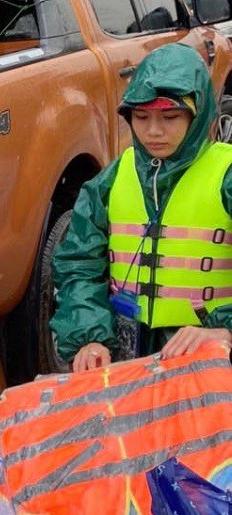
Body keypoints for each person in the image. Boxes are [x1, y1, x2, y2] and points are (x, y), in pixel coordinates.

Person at [50, 43, 232, 373]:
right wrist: (89, 336)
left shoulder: (226, 175)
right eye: (141, 116)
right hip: (126, 357)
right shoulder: (114, 177)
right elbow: (78, 261)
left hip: (211, 362)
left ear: (199, 113)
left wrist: (224, 332)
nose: (153, 131)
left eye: (171, 116)